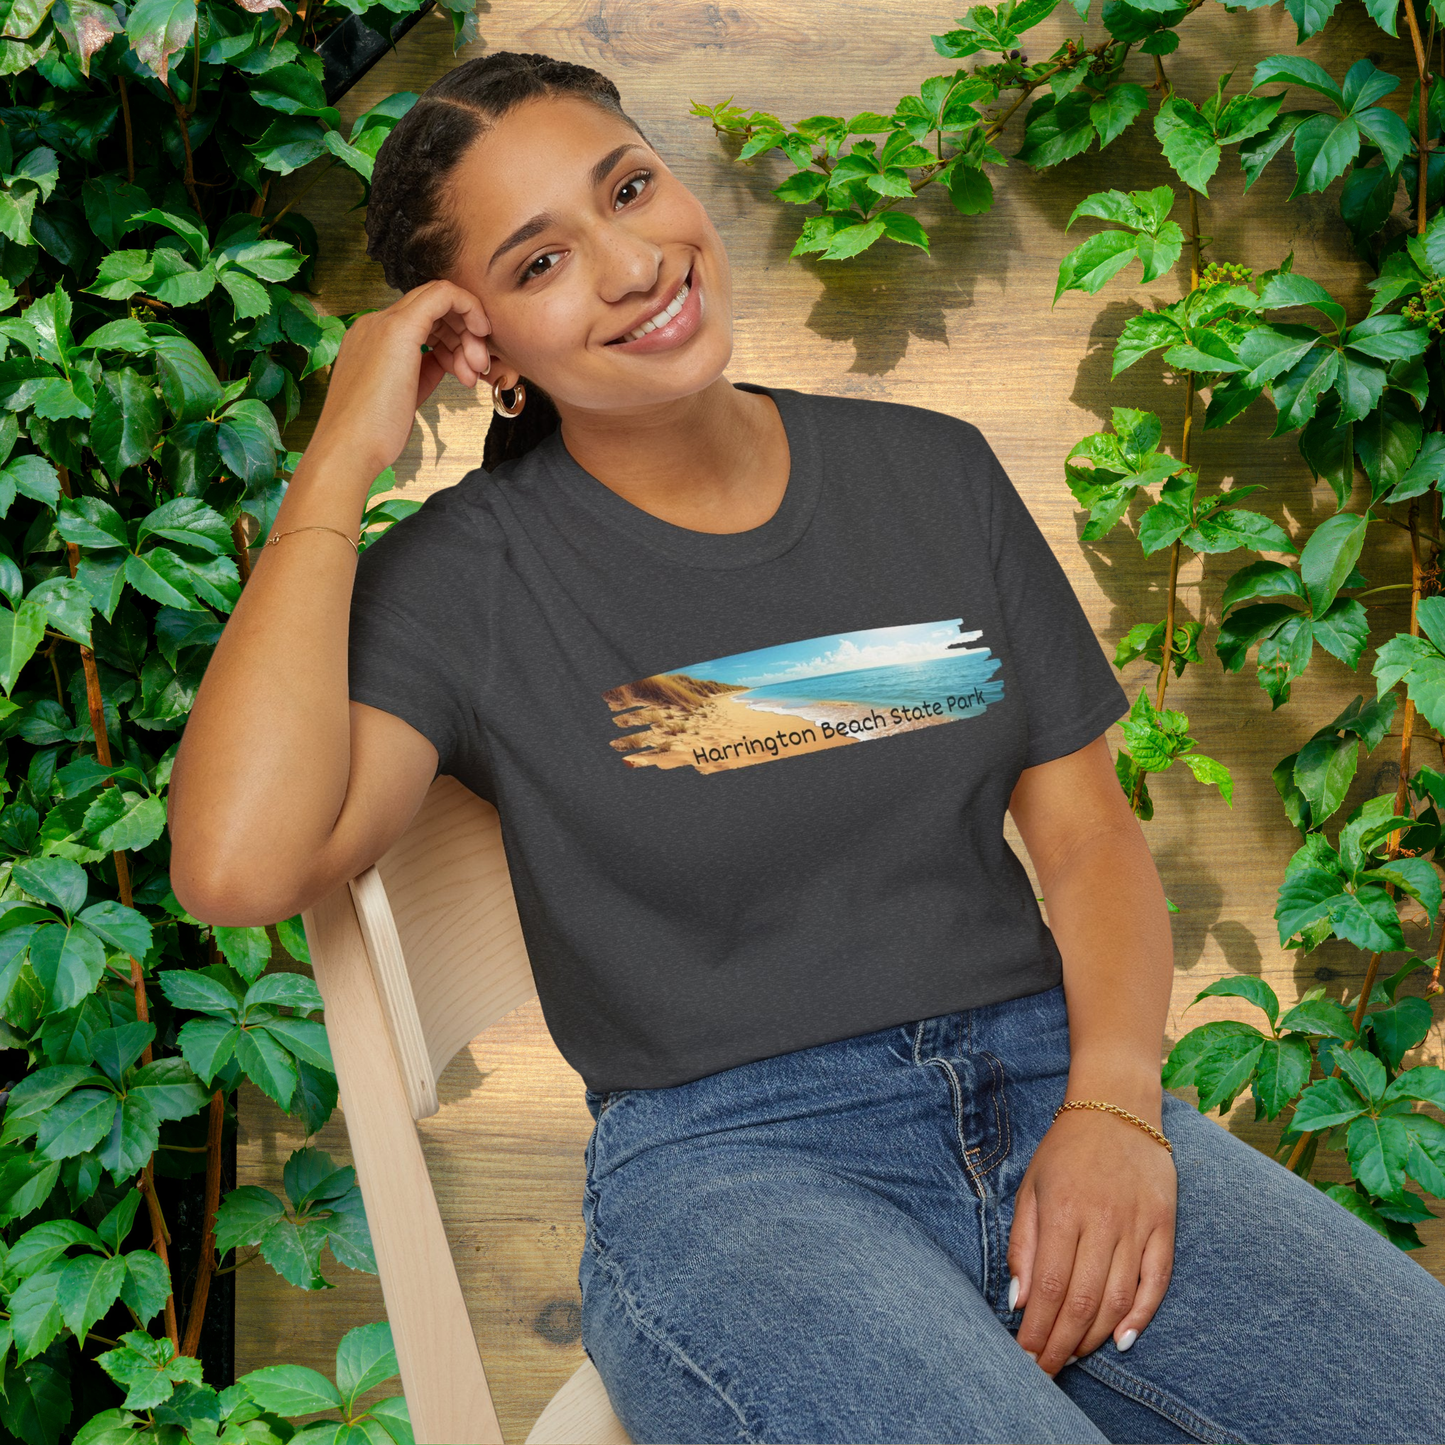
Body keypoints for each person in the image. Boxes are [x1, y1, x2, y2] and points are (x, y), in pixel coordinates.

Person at [166, 49, 1445, 1445]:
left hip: (1049, 1082)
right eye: (539, 265)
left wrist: (1119, 1111)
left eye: (632, 189)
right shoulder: (469, 579)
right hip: (733, 1174)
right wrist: (344, 451)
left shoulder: (932, 474)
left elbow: (1086, 842)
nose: (633, 264)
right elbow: (237, 865)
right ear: (484, 350)